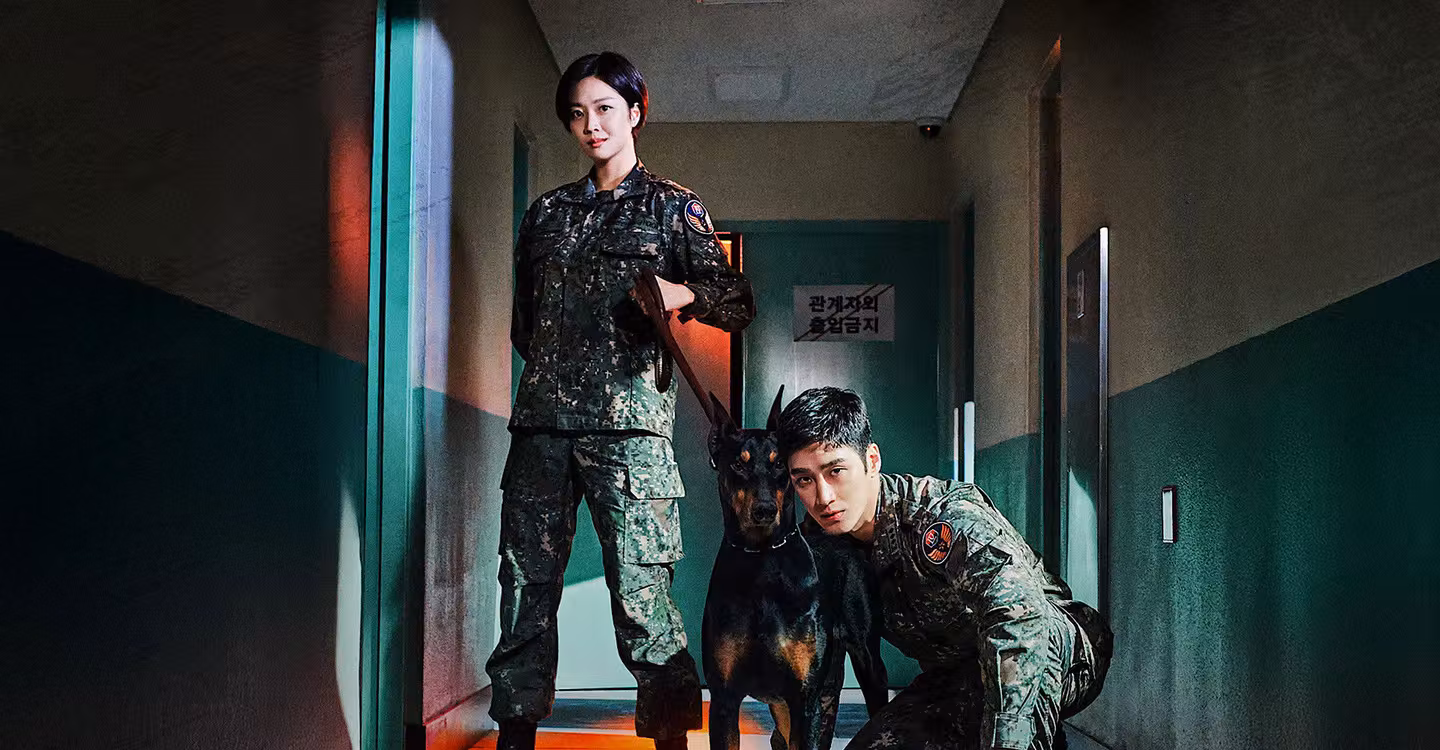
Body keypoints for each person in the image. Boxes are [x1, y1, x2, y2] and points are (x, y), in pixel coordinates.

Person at [486, 52, 754, 750]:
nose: (591, 126)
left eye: (605, 109)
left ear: (635, 112)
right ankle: (515, 733)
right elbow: (525, 325)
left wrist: (680, 291)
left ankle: (670, 737)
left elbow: (737, 300)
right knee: (524, 588)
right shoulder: (546, 214)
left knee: (643, 596)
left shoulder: (671, 207)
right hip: (541, 429)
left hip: (631, 435)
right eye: (578, 114)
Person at [778, 387, 1113, 750]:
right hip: (959, 674)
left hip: (1051, 649)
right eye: (804, 480)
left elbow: (1021, 618)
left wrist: (1009, 739)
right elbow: (819, 666)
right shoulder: (818, 551)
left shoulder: (940, 519)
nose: (823, 497)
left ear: (871, 460)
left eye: (836, 471)